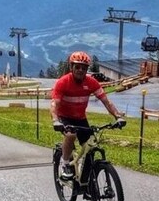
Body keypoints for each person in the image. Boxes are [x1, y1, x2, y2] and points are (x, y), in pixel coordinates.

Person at [50, 51, 125, 180]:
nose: (80, 70)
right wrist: (56, 120)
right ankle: (66, 163)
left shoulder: (91, 82)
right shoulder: (63, 82)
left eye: (84, 68)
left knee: (91, 144)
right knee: (71, 134)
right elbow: (54, 104)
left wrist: (117, 116)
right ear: (71, 67)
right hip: (64, 116)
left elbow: (106, 101)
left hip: (80, 118)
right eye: (77, 67)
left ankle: (87, 179)